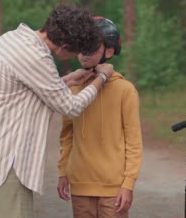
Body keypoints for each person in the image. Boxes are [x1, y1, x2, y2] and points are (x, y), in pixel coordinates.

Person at [0, 4, 115, 218]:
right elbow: (71, 108)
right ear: (63, 45)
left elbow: (25, 91)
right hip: (4, 167)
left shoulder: (12, 39)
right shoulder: (36, 57)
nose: (75, 56)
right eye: (75, 50)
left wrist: (68, 80)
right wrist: (102, 77)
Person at [57, 16, 142, 218]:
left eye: (92, 47)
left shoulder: (125, 90)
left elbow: (133, 142)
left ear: (109, 51)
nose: (85, 53)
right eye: (81, 47)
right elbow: (67, 136)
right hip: (80, 185)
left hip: (114, 188)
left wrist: (128, 184)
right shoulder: (73, 88)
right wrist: (62, 172)